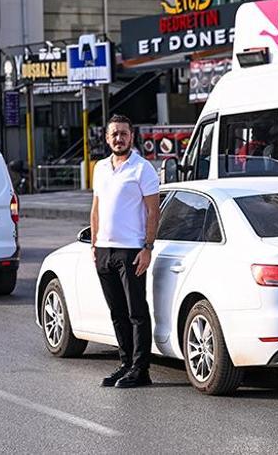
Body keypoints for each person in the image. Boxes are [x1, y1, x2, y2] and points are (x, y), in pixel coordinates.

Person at [91, 114, 161, 388]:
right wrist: (94, 244)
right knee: (117, 312)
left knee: (136, 313)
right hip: (105, 251)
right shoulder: (100, 168)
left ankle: (141, 370)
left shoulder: (142, 169)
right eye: (114, 134)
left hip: (132, 251)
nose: (118, 138)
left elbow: (153, 212)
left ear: (132, 136)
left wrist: (147, 247)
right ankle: (125, 363)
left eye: (123, 133)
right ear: (107, 138)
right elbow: (96, 209)